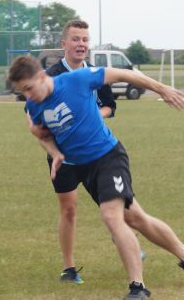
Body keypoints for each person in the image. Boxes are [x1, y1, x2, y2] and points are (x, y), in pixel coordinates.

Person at [9, 54, 184, 300]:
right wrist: (55, 153)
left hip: (108, 157)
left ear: (41, 76)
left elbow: (124, 74)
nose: (27, 95)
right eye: (22, 91)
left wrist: (161, 88)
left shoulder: (77, 80)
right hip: (82, 167)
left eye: (28, 88)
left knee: (111, 216)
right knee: (136, 218)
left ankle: (138, 287)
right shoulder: (35, 105)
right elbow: (40, 134)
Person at [32, 19, 120, 284]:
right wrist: (54, 149)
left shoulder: (94, 74)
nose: (81, 44)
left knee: (115, 207)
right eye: (75, 39)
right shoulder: (50, 76)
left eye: (84, 39)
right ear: (64, 44)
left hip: (96, 153)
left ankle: (125, 241)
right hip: (64, 157)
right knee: (68, 209)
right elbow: (37, 123)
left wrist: (91, 116)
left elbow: (110, 106)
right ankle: (69, 269)